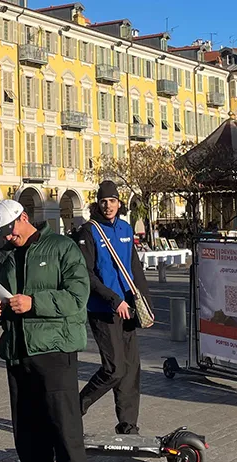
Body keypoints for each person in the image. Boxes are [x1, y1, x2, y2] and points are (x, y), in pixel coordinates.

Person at [0, 199, 109, 462]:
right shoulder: (5, 255)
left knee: (66, 434)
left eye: (10, 231)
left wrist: (34, 303)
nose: (7, 238)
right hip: (17, 353)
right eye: (2, 234)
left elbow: (77, 297)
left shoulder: (62, 247)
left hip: (55, 352)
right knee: (27, 435)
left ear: (24, 219)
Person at [76, 181, 151, 436]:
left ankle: (128, 426)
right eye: (103, 201)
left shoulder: (126, 229)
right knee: (114, 369)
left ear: (119, 203)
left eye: (112, 200)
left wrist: (146, 306)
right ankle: (75, 409)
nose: (108, 205)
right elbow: (86, 274)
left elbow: (135, 269)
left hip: (128, 310)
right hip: (103, 310)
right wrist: (113, 299)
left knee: (130, 370)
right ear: (98, 203)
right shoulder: (88, 231)